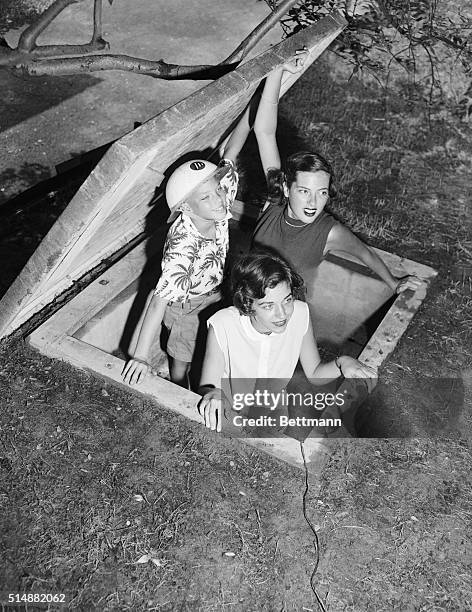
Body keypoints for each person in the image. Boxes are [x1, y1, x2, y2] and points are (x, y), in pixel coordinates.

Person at [251, 51, 422, 294]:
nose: (314, 202)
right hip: (247, 303)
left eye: (322, 193)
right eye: (304, 191)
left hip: (287, 320)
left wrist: (394, 283)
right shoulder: (274, 201)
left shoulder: (329, 232)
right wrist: (278, 70)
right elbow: (264, 132)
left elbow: (365, 253)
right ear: (287, 188)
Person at [121, 112, 252, 389]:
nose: (219, 200)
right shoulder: (183, 248)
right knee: (182, 358)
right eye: (207, 197)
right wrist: (141, 356)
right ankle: (180, 390)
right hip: (185, 307)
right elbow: (158, 302)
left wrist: (255, 104)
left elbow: (231, 150)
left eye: (217, 190)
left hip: (216, 291)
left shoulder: (215, 200)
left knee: (208, 348)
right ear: (186, 207)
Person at [197, 250, 377, 433]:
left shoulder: (300, 314)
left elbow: (315, 374)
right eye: (268, 306)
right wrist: (213, 394)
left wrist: (342, 363)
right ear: (247, 304)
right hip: (230, 411)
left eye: (287, 300)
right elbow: (208, 387)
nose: (282, 314)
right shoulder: (223, 324)